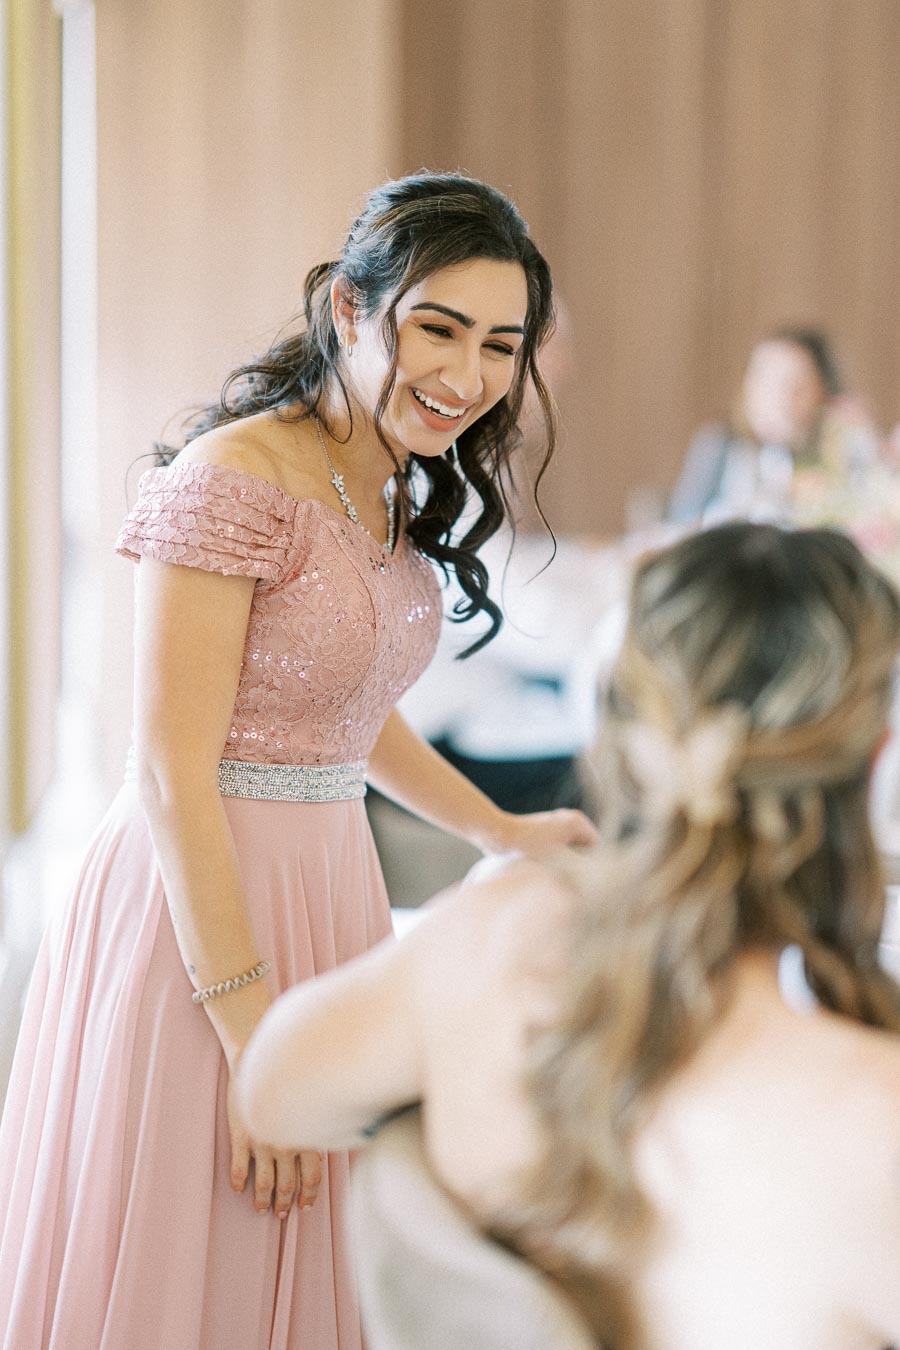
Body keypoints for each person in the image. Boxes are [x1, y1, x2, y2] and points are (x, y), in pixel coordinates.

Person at [0, 172, 596, 1350]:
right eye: (438, 329)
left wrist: (502, 831)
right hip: (198, 911)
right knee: (201, 1239)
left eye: (499, 346)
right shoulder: (233, 476)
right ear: (349, 310)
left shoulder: (385, 480)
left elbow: (350, 710)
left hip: (332, 894)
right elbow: (170, 771)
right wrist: (255, 1046)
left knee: (308, 1238)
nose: (468, 376)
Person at [238, 521, 900, 1349]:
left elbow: (271, 1090)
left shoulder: (490, 938)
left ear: (619, 728)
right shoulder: (874, 1119)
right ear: (876, 762)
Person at [668, 326, 879, 524]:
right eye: (765, 380)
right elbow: (681, 522)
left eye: (797, 385)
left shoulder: (839, 450)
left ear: (824, 392)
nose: (779, 397)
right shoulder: (720, 444)